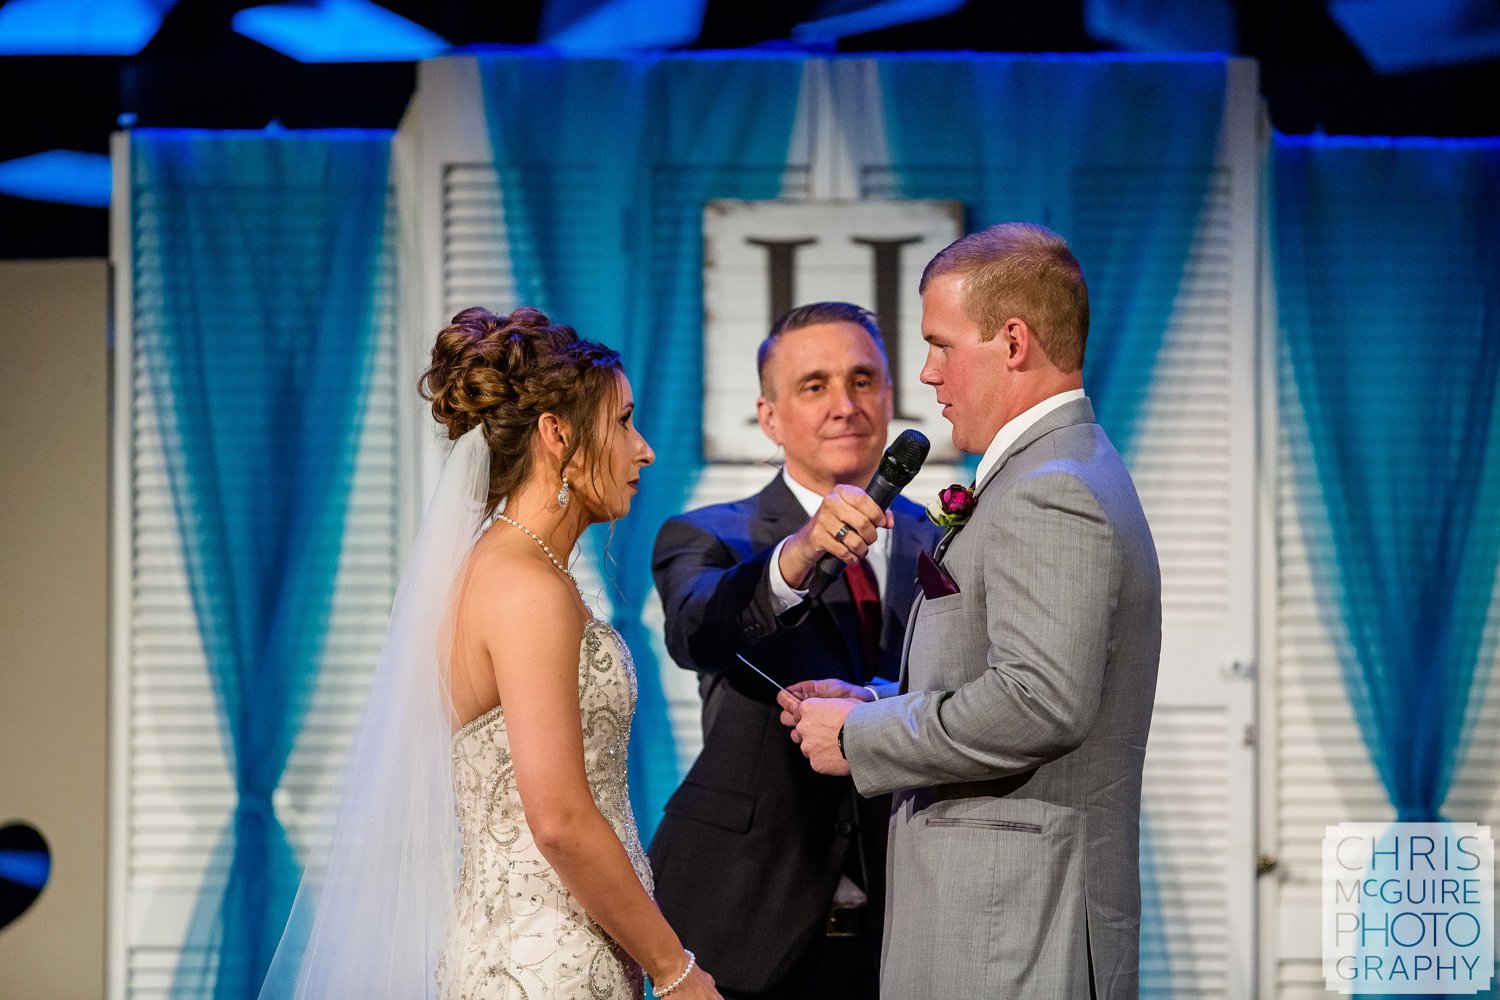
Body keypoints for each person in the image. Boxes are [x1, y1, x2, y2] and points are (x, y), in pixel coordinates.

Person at [258, 306, 720, 1000]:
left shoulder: (511, 570)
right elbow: (560, 818)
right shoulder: (523, 587)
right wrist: (674, 969)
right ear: (556, 434)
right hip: (544, 970)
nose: (644, 449)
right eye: (623, 422)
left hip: (541, 953)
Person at [779, 225, 1162, 998]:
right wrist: (880, 700)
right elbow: (1009, 674)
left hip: (1013, 927)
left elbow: (1039, 701)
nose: (926, 373)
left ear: (1013, 341)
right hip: (999, 918)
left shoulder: (1056, 487)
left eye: (941, 345)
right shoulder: (1052, 470)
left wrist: (862, 734)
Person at [648, 303, 941, 999]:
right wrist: (801, 553)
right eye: (814, 386)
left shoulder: (943, 538)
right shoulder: (712, 537)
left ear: (891, 399)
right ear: (770, 416)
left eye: (863, 380)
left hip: (911, 930)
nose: (845, 405)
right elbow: (699, 631)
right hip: (750, 928)